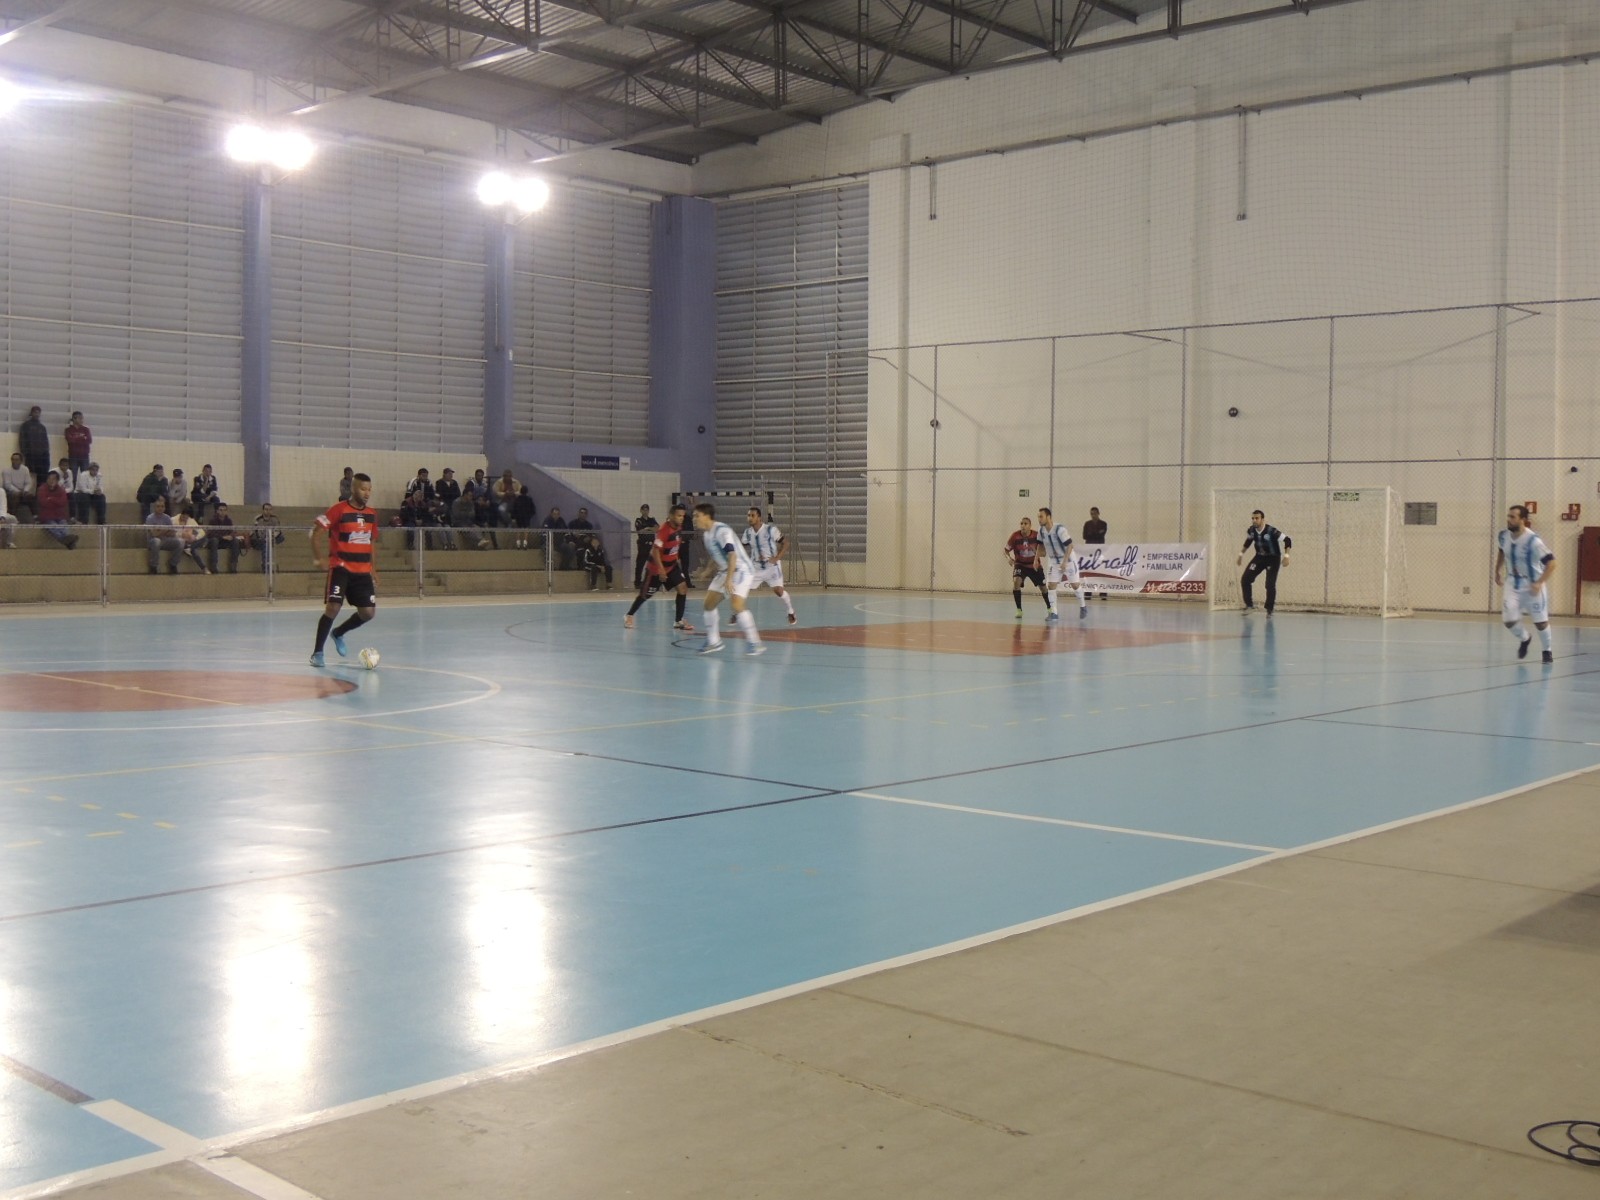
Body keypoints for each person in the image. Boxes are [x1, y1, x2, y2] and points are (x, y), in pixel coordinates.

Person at [309, 472, 380, 667]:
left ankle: (338, 633)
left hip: (362, 571)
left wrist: (373, 569)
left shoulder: (372, 514)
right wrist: (318, 558)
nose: (367, 493)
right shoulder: (337, 510)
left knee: (368, 613)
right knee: (333, 608)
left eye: (369, 489)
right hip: (340, 568)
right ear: (353, 489)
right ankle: (317, 653)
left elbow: (371, 541)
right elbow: (315, 533)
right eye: (363, 489)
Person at [693, 503, 763, 655]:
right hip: (726, 570)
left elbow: (732, 555)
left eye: (696, 515)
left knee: (736, 604)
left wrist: (729, 580)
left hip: (741, 569)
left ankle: (755, 642)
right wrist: (707, 571)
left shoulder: (722, 531)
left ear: (706, 516)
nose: (694, 519)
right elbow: (716, 555)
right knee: (708, 604)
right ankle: (714, 642)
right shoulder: (706, 535)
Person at [1495, 504, 1556, 664]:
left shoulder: (1533, 541)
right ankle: (1525, 638)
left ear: (1523, 520)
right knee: (1509, 620)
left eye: (1513, 517)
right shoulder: (1503, 535)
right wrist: (1497, 570)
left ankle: (1547, 651)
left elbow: (1552, 563)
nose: (1509, 519)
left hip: (1533, 584)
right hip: (1513, 583)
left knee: (1541, 623)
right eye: (1508, 516)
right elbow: (1502, 551)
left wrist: (1539, 583)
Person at [623, 503, 694, 632]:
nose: (681, 518)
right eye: (679, 516)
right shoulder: (663, 530)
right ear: (671, 516)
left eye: (683, 516)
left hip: (672, 566)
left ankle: (678, 621)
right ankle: (629, 615)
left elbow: (674, 547)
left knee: (683, 588)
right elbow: (656, 551)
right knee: (645, 595)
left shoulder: (679, 528)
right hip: (656, 569)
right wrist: (661, 570)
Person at [743, 507, 797, 625]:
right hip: (755, 567)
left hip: (771, 567)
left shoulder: (770, 530)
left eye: (752, 515)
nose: (750, 518)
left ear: (759, 517)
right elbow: (742, 547)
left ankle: (790, 611)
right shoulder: (747, 533)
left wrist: (777, 557)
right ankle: (737, 612)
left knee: (778, 591)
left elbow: (786, 543)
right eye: (748, 516)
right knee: (742, 587)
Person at [1237, 509, 1291, 615]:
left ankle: (1269, 609)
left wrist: (1287, 556)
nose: (1254, 520)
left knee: (1269, 584)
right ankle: (1249, 605)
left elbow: (1287, 540)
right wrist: (1240, 555)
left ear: (1262, 519)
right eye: (1253, 518)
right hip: (1259, 557)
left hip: (1273, 558)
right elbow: (1248, 541)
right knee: (1245, 579)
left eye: (1257, 518)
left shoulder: (1271, 531)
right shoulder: (1252, 530)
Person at [1037, 506, 1085, 621]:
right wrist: (1035, 559)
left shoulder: (1059, 529)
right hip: (1054, 562)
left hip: (1068, 560)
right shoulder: (1041, 531)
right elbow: (1040, 546)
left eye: (1041, 516)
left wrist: (1064, 562)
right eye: (1038, 517)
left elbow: (1069, 545)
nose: (1039, 519)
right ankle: (1054, 613)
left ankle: (1083, 606)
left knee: (1075, 585)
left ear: (1048, 517)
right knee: (1051, 585)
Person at [1006, 516, 1049, 619]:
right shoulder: (1015, 536)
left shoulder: (1036, 536)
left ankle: (1050, 608)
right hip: (1020, 564)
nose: (1023, 526)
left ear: (1030, 526)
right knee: (1016, 582)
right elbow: (1005, 550)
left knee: (1043, 588)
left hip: (1034, 565)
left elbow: (1044, 553)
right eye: (1021, 523)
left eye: (1025, 524)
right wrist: (1008, 558)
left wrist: (1036, 552)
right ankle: (1019, 610)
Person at [34, 471, 78, 549]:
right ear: (46, 479)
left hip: (60, 516)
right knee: (54, 527)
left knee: (64, 527)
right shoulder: (42, 489)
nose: (51, 480)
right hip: (47, 517)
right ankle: (68, 542)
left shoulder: (61, 489)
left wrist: (50, 499)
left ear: (57, 481)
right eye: (49, 478)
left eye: (54, 479)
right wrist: (56, 501)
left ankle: (67, 541)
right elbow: (43, 502)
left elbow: (63, 502)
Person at [144, 497, 184, 574]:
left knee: (180, 542)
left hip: (166, 541)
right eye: (158, 506)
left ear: (165, 507)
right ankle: (153, 566)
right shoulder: (150, 518)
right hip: (153, 542)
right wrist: (165, 530)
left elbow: (172, 533)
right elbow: (154, 534)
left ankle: (173, 564)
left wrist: (160, 530)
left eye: (162, 506)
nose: (160, 508)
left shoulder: (167, 518)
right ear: (154, 507)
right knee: (157, 541)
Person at [207, 502, 248, 573]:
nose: (222, 512)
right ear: (217, 511)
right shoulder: (212, 520)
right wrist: (222, 537)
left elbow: (232, 531)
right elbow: (210, 533)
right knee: (214, 540)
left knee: (235, 541)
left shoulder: (228, 521)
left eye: (224, 510)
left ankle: (233, 566)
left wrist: (231, 536)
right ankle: (214, 566)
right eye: (221, 510)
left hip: (225, 541)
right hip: (216, 541)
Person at [172, 503, 211, 573]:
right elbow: (171, 533)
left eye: (187, 517)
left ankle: (191, 547)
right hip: (179, 542)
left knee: (204, 538)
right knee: (194, 550)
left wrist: (195, 538)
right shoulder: (173, 520)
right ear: (181, 514)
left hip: (190, 542)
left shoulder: (191, 521)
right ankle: (204, 568)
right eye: (183, 516)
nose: (185, 519)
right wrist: (181, 534)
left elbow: (202, 532)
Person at [18, 405, 49, 485]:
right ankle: (29, 494)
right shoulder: (25, 426)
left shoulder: (42, 427)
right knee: (29, 474)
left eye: (38, 413)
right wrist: (25, 452)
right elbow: (22, 440)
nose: (37, 414)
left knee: (42, 476)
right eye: (35, 412)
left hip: (42, 455)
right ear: (31, 413)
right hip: (30, 454)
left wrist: (46, 453)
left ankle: (40, 493)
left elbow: (46, 442)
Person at [1083, 505, 1109, 599]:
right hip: (1089, 550)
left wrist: (1092, 534)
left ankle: (1103, 593)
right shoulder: (1087, 524)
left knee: (1101, 571)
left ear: (1098, 513)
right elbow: (1085, 536)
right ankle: (1088, 592)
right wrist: (1097, 533)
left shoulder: (1103, 524)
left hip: (1100, 550)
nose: (1093, 515)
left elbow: (1101, 534)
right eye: (1091, 514)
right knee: (1089, 571)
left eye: (1094, 514)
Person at [251, 502, 284, 573]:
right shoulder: (258, 519)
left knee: (281, 537)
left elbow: (278, 530)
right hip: (259, 539)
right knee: (265, 544)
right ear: (263, 510)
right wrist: (266, 538)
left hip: (271, 537)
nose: (268, 511)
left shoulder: (275, 518)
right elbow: (258, 533)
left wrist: (271, 536)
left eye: (269, 509)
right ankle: (265, 567)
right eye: (266, 509)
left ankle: (269, 543)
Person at [3, 452, 35, 522]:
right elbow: (7, 485)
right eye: (13, 459)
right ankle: (13, 516)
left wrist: (25, 490)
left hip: (23, 490)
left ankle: (35, 516)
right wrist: (18, 491)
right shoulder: (6, 470)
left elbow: (28, 482)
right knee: (15, 496)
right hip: (11, 491)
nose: (14, 461)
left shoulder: (25, 469)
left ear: (21, 461)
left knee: (31, 496)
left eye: (17, 460)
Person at [73, 461, 106, 525]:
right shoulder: (83, 475)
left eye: (96, 470)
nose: (95, 472)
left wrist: (100, 491)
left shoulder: (99, 475)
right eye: (93, 470)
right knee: (85, 497)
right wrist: (93, 491)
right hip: (80, 493)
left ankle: (101, 521)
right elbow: (83, 489)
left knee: (102, 497)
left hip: (92, 494)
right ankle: (83, 520)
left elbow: (101, 486)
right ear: (89, 469)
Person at [633, 504, 658, 588]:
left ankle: (651, 581)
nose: (645, 511)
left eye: (647, 510)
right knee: (640, 564)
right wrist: (650, 528)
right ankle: (637, 583)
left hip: (651, 545)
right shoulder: (639, 520)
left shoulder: (652, 519)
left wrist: (647, 528)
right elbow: (640, 531)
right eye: (644, 510)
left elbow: (657, 528)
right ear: (641, 510)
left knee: (653, 564)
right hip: (643, 545)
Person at [0, 484, 14, 548]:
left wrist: (2, 517)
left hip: (0, 514)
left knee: (12, 519)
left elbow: (3, 505)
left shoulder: (1, 491)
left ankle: (9, 543)